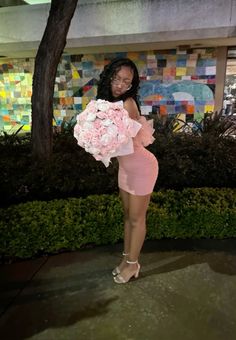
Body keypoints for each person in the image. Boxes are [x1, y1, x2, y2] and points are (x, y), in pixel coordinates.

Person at [96, 58, 158, 284]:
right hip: (125, 169)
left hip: (142, 167)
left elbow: (120, 143)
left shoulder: (128, 103)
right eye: (117, 78)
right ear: (109, 77)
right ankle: (126, 260)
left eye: (126, 81)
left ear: (132, 85)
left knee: (136, 218)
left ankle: (133, 265)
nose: (120, 85)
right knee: (127, 217)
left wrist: (97, 141)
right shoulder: (105, 103)